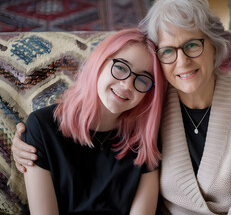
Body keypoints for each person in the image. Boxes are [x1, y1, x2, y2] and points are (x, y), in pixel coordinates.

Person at [12, 0, 231, 214]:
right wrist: (25, 140)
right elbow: (90, 110)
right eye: (168, 51)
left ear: (214, 47)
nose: (182, 61)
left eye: (192, 45)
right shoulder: (148, 104)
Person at [12, 28, 167, 214]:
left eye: (143, 79)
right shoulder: (42, 126)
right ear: (99, 63)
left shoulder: (144, 139)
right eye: (120, 67)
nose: (127, 85)